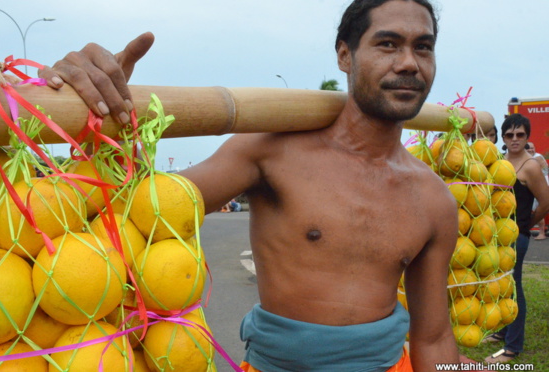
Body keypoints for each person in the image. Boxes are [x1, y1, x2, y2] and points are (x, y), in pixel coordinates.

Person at [40, 1, 461, 370]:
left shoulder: (432, 200)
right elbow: (139, 212)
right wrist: (102, 123)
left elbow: (432, 339)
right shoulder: (273, 151)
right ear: (345, 56)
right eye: (388, 44)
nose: (409, 62)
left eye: (423, 46)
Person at [482, 114, 549, 363]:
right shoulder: (499, 160)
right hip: (496, 236)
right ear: (504, 137)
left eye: (520, 134)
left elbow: (545, 201)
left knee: (513, 288)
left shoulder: (530, 165)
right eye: (509, 135)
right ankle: (502, 332)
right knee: (500, 286)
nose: (514, 139)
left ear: (527, 136)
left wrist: (527, 225)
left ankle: (512, 348)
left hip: (515, 237)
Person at [526, 141, 548, 240]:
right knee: (537, 209)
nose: (531, 150)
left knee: (540, 209)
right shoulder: (527, 158)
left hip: (542, 186)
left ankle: (542, 233)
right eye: (528, 148)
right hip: (535, 187)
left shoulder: (537, 157)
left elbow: (546, 171)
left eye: (532, 148)